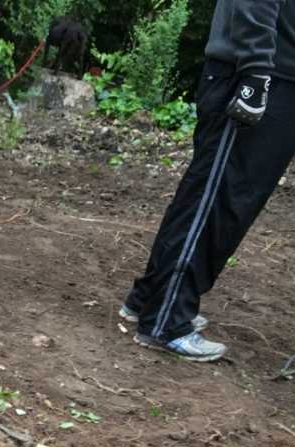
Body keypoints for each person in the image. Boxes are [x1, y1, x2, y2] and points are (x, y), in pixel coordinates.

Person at [120, 0, 295, 361]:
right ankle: (166, 320)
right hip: (261, 74)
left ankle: (150, 298)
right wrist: (257, 70)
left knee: (216, 195)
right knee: (218, 198)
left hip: (279, 76)